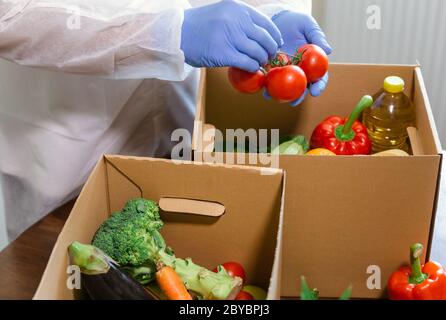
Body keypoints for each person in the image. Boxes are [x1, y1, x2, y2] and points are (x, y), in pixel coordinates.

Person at [0, 0, 331, 245]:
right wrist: (164, 34)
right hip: (67, 157)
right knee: (67, 263)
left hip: (185, 129)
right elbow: (10, 15)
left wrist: (271, 12)